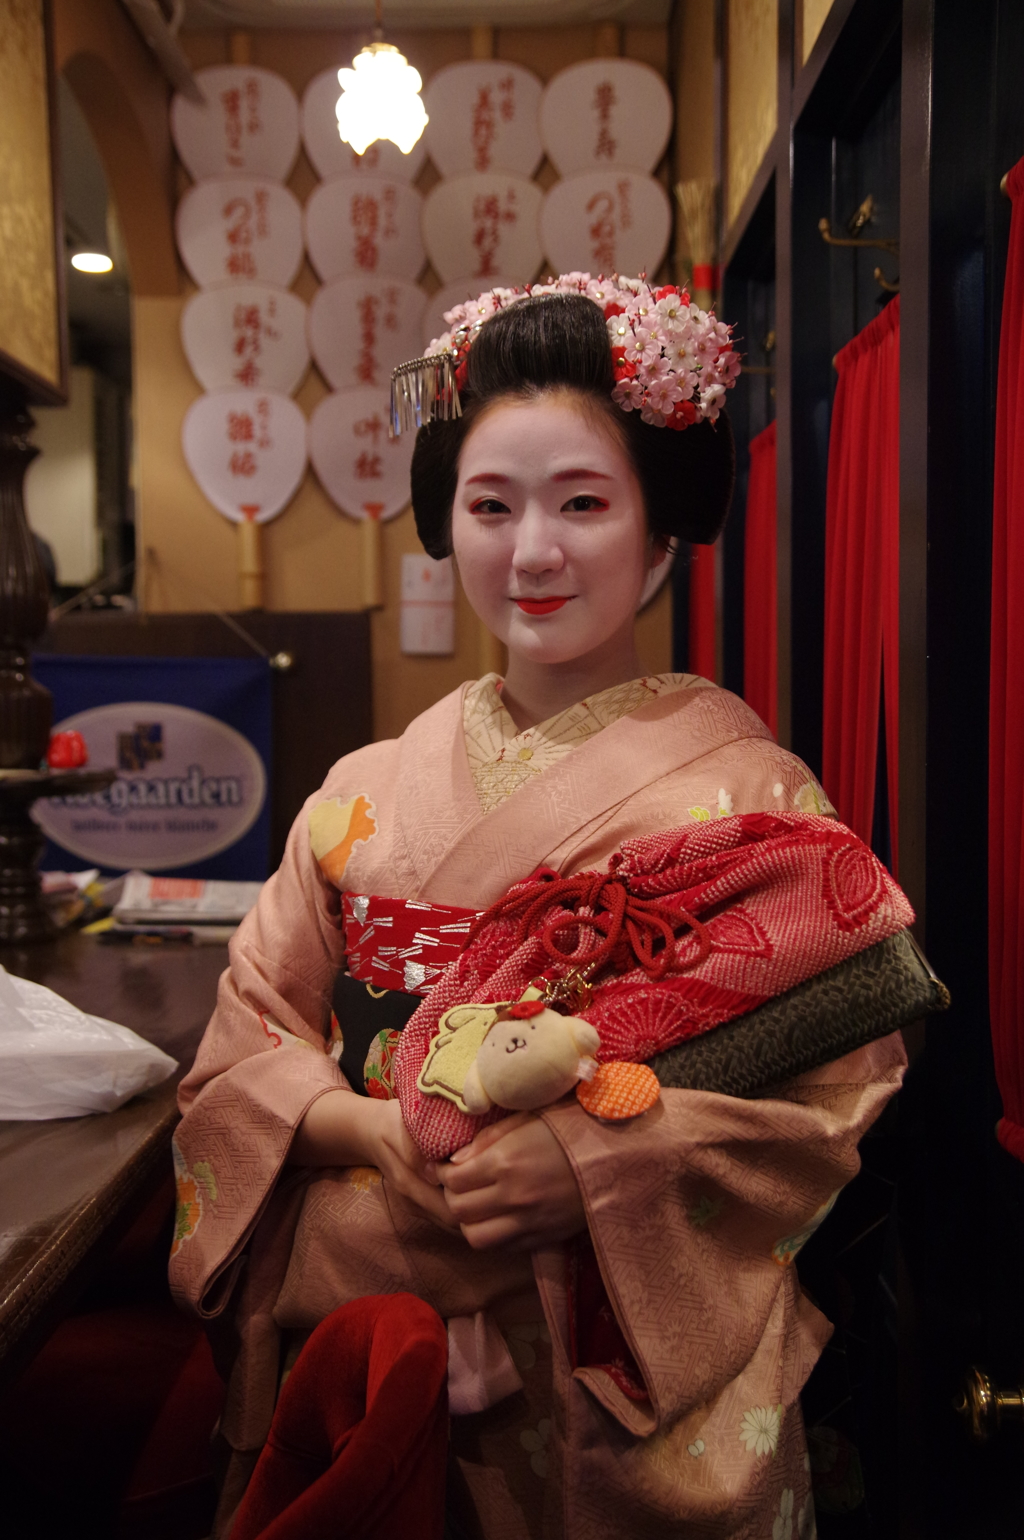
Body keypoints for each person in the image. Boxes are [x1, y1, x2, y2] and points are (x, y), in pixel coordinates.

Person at [170, 281, 906, 1539]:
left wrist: (595, 1161)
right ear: (445, 525)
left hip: (622, 1375)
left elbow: (835, 1084)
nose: (534, 550)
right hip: (370, 1336)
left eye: (583, 501)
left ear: (661, 531)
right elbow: (243, 1045)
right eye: (490, 506)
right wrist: (367, 1129)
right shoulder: (359, 794)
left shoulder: (751, 792)